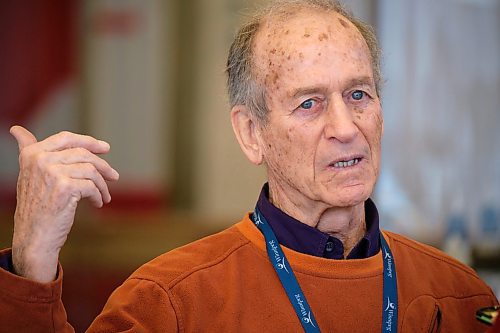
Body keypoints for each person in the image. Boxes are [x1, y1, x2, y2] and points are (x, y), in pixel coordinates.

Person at [0, 0, 498, 332]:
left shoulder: (458, 297)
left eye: (359, 94)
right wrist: (32, 262)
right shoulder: (172, 304)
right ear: (250, 134)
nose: (346, 127)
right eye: (309, 103)